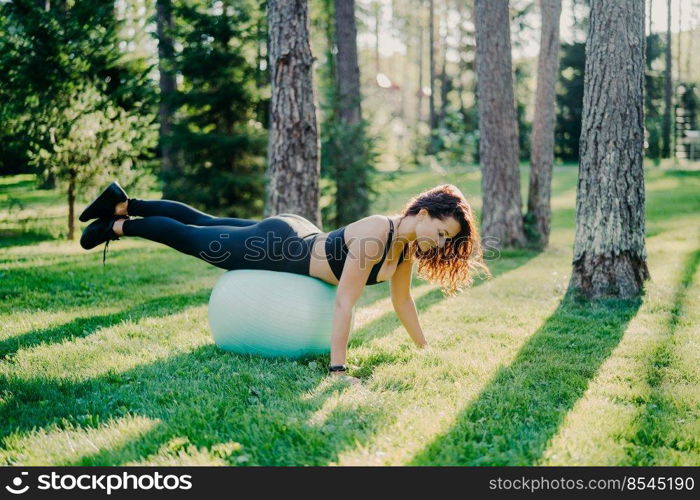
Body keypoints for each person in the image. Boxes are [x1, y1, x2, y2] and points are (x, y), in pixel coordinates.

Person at [79, 182, 489, 382]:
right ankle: (118, 225)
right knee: (194, 239)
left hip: (297, 233)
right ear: (423, 211)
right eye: (443, 229)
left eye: (449, 239)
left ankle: (123, 201)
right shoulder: (376, 234)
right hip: (278, 245)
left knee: (205, 222)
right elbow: (345, 302)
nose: (442, 241)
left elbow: (403, 303)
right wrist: (338, 367)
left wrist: (425, 349)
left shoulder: (405, 248)